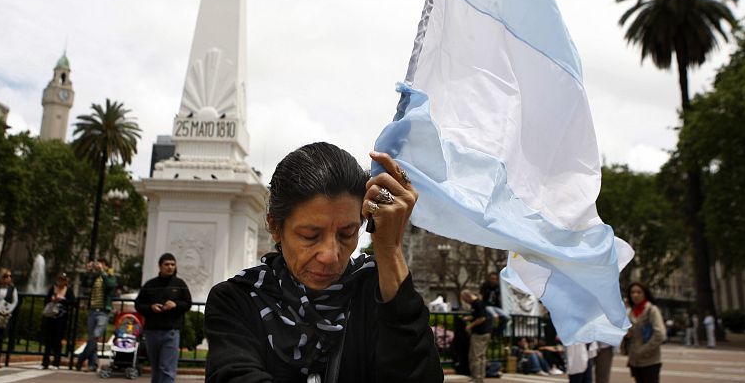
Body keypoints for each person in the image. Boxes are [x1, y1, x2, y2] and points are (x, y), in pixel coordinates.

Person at [204, 143, 443, 382]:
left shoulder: (378, 291)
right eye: (310, 235)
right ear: (275, 227)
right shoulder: (237, 300)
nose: (329, 255)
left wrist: (390, 248)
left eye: (347, 234)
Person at [136, 252, 192, 383]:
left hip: (171, 332)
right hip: (152, 331)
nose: (170, 267)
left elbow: (187, 303)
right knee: (155, 369)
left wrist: (176, 305)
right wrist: (151, 307)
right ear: (160, 266)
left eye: (173, 264)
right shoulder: (150, 284)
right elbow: (138, 304)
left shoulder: (180, 284)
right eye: (167, 264)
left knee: (167, 369)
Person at [75, 257, 117, 372]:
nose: (99, 266)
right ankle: (92, 364)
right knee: (92, 339)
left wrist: (103, 272)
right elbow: (85, 284)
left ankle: (80, 359)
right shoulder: (95, 276)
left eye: (102, 264)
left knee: (95, 336)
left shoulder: (110, 275)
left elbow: (111, 285)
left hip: (103, 311)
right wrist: (88, 271)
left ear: (106, 266)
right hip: (93, 310)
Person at [625, 281, 666, 383]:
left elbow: (660, 334)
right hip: (635, 361)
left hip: (650, 361)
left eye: (639, 292)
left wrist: (642, 351)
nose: (635, 295)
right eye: (632, 292)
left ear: (645, 294)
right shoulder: (630, 312)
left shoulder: (652, 310)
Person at [41, 272, 75, 369]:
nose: (61, 282)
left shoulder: (68, 290)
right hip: (51, 316)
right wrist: (52, 299)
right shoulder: (53, 289)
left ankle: (56, 362)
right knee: (48, 340)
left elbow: (72, 301)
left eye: (63, 280)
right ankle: (45, 362)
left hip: (61, 317)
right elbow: (46, 300)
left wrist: (62, 300)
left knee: (58, 340)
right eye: (59, 280)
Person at [460, 290, 493, 382]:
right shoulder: (477, 303)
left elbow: (482, 318)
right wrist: (469, 318)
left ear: (467, 296)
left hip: (480, 333)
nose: (465, 302)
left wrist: (470, 325)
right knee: (481, 356)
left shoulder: (477, 303)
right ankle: (480, 377)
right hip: (485, 332)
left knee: (475, 356)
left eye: (465, 300)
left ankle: (477, 378)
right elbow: (478, 315)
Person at [479, 272, 509, 337]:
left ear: (496, 280)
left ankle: (497, 333)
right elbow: (481, 296)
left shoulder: (498, 287)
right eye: (492, 278)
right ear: (489, 279)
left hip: (495, 306)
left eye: (494, 279)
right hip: (487, 305)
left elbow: (500, 297)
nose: (493, 280)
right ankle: (490, 333)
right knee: (494, 316)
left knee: (506, 317)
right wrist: (481, 306)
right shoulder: (485, 285)